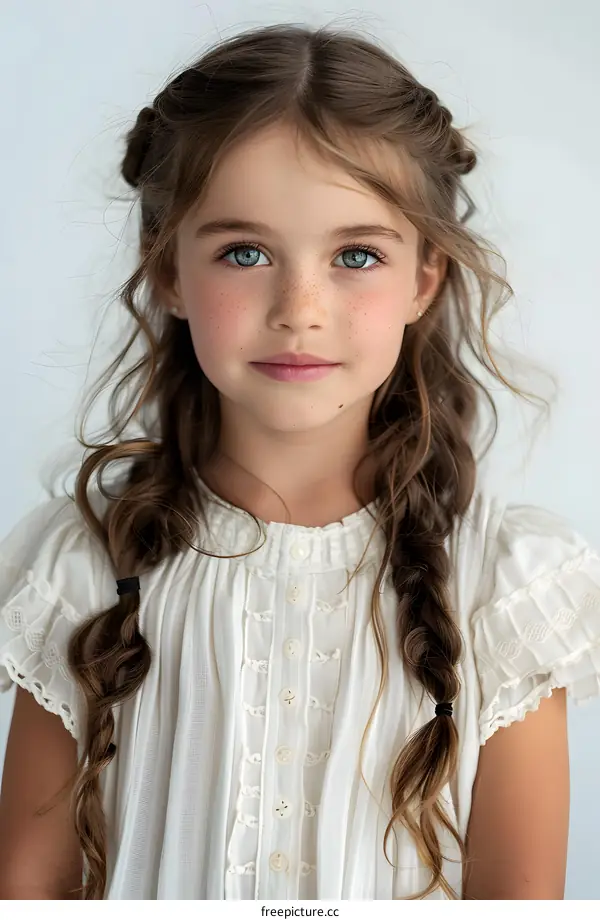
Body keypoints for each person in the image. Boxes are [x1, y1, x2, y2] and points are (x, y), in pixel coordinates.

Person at [0, 22, 599, 902]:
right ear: (166, 268)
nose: (300, 308)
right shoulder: (80, 563)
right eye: (245, 253)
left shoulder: (506, 589)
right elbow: (26, 888)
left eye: (356, 255)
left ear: (424, 277)